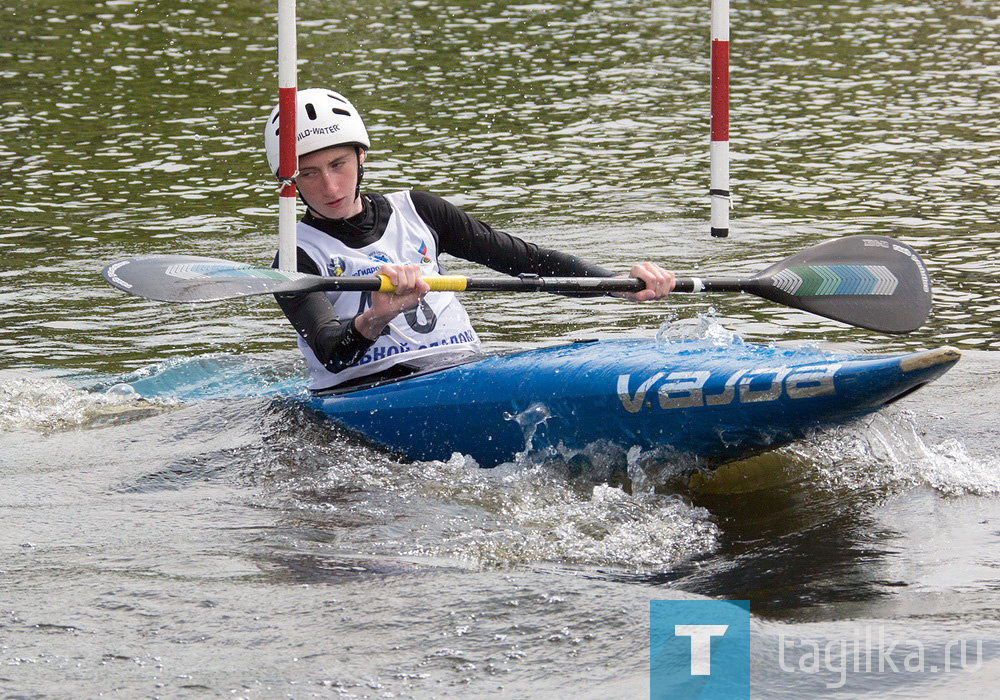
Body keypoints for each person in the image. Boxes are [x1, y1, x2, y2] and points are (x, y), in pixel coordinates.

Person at [264, 88, 675, 393]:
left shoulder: (419, 210)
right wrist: (377, 316)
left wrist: (619, 285)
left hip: (465, 373)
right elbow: (330, 351)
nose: (331, 185)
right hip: (366, 394)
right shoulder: (297, 252)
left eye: (338, 164)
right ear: (289, 181)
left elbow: (527, 261)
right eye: (309, 174)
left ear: (361, 155)